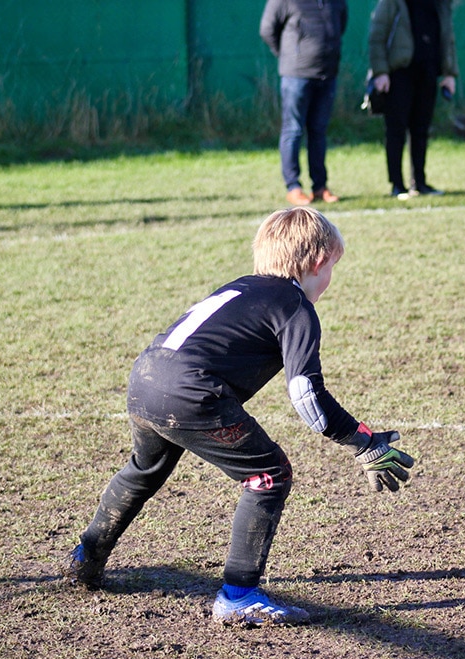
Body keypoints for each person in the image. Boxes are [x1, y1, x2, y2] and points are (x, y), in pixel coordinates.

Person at [63, 207, 415, 626]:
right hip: (189, 390)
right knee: (270, 474)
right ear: (319, 262)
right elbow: (305, 394)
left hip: (145, 377)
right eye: (333, 267)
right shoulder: (295, 305)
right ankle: (238, 595)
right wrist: (362, 440)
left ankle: (87, 555)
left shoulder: (239, 287)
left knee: (145, 468)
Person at [368, 0, 458, 200]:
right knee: (396, 130)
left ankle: (420, 182)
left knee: (421, 130)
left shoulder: (440, 4)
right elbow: (377, 36)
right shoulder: (392, 3)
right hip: (399, 74)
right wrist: (381, 72)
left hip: (428, 73)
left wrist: (449, 73)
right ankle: (397, 185)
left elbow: (447, 38)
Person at [260, 0, 347, 206]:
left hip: (327, 74)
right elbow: (267, 29)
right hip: (296, 75)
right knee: (293, 129)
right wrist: (289, 55)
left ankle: (320, 186)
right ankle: (293, 187)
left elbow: (340, 24)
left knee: (318, 131)